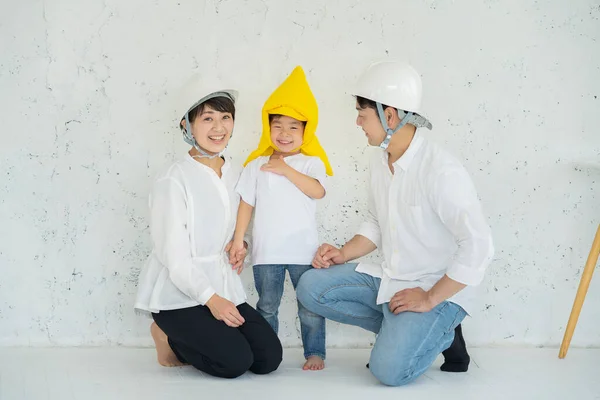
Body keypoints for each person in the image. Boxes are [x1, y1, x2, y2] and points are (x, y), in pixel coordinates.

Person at [296, 61, 494, 386]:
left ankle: (440, 330)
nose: (357, 121)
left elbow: (479, 246)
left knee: (387, 372)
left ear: (389, 116)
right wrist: (342, 254)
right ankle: (404, 330)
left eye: (363, 113)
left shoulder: (441, 171)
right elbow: (376, 221)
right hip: (393, 279)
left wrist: (430, 299)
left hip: (434, 288)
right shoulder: (380, 161)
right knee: (311, 287)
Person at [134, 75, 282, 379]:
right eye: (208, 118)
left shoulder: (237, 172)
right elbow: (174, 257)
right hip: (178, 295)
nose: (219, 128)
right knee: (234, 362)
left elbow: (242, 225)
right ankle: (167, 336)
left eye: (225, 117)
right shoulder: (173, 180)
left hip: (223, 284)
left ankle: (207, 333)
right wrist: (211, 300)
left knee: (267, 358)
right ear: (186, 126)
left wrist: (242, 246)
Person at [229, 66, 333, 370]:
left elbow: (317, 192)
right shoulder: (256, 164)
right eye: (277, 126)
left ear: (306, 131)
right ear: (267, 128)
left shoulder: (312, 163)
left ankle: (315, 352)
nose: (284, 134)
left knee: (310, 307)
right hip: (267, 252)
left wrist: (286, 168)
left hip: (304, 252)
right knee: (267, 307)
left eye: (292, 127)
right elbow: (246, 203)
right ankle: (267, 353)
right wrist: (238, 240)